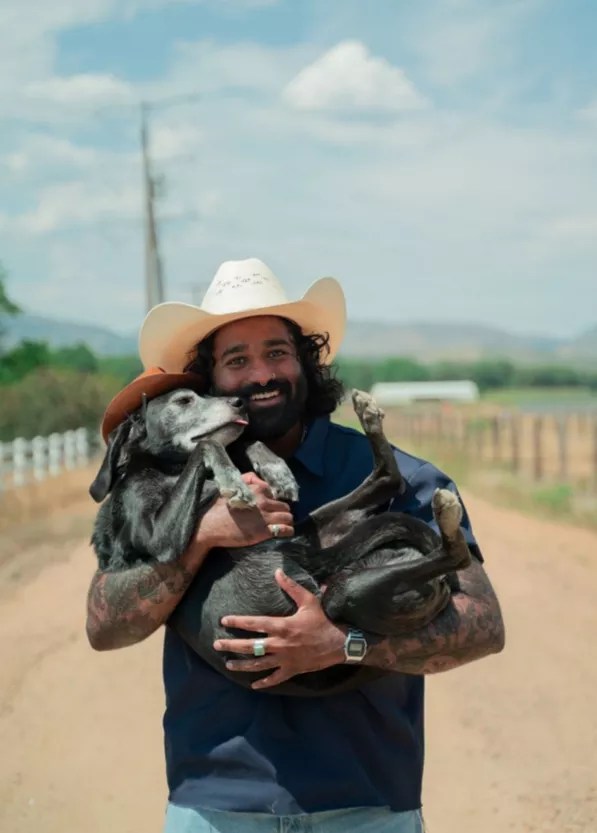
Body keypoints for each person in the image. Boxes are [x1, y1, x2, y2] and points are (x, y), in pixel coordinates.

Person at [86, 257, 505, 833]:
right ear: (211, 384)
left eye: (277, 353)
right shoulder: (175, 482)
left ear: (307, 363)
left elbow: (484, 624)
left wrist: (343, 643)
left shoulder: (397, 476)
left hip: (366, 803)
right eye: (237, 360)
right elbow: (105, 626)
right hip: (215, 803)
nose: (261, 374)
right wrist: (204, 534)